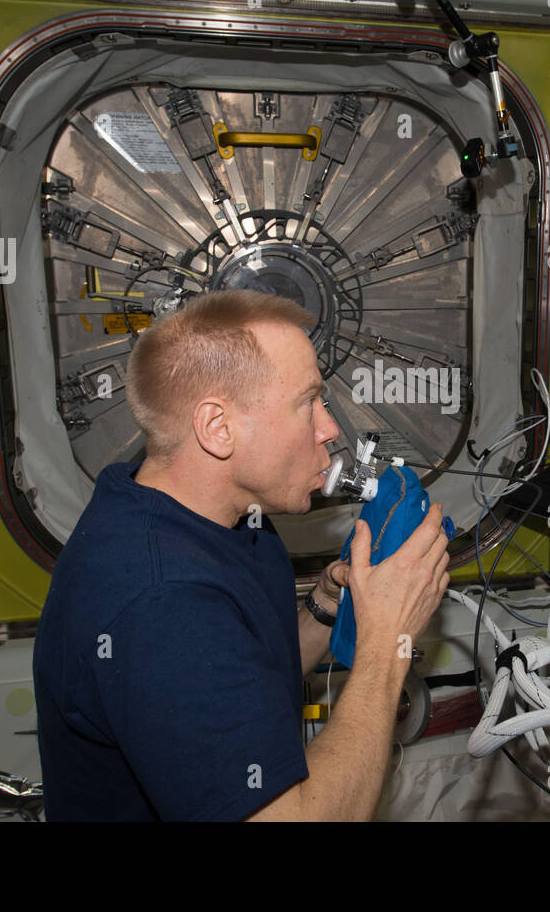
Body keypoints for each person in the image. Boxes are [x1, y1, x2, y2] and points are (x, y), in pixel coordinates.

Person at [32, 289, 451, 821]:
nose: (328, 428)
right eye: (307, 403)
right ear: (218, 428)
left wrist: (325, 604)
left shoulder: (216, 515)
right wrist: (388, 644)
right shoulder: (161, 606)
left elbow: (247, 671)